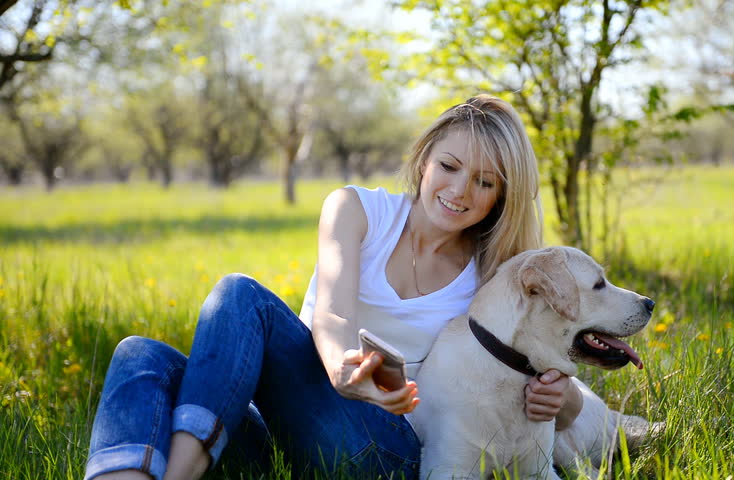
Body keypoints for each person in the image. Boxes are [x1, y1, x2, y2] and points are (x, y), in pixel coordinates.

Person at [85, 94, 580, 480]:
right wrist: (344, 365)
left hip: (381, 447)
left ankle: (179, 474)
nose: (459, 191)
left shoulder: (494, 272)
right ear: (426, 158)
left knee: (241, 295)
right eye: (449, 167)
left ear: (501, 196)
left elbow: (557, 378)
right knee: (139, 356)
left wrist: (561, 400)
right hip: (281, 431)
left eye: (485, 182)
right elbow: (333, 314)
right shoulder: (356, 209)